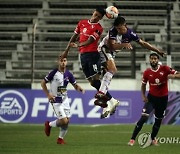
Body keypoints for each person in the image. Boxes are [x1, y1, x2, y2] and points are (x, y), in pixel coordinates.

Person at [96, 16, 166, 118]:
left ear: (125, 25)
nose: (118, 30)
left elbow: (143, 43)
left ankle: (107, 104)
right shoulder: (113, 31)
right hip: (103, 50)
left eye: (120, 28)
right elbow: (111, 46)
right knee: (113, 70)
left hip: (111, 54)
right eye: (117, 28)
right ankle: (102, 94)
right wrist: (124, 44)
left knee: (103, 79)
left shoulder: (130, 34)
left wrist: (157, 50)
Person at [61, 7, 119, 115]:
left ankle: (109, 99)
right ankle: (110, 100)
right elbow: (73, 37)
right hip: (82, 56)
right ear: (93, 12)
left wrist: (79, 44)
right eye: (95, 14)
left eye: (99, 17)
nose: (96, 17)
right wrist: (66, 51)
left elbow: (91, 40)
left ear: (101, 18)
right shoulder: (82, 23)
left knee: (96, 79)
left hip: (93, 55)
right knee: (93, 83)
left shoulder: (99, 28)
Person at [128, 52, 180, 147]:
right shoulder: (147, 72)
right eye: (151, 58)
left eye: (155, 58)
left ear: (158, 60)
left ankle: (152, 139)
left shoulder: (165, 69)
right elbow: (143, 85)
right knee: (144, 117)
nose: (153, 60)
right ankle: (132, 139)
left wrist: (172, 76)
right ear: (149, 60)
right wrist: (143, 96)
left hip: (163, 99)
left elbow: (178, 74)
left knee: (158, 120)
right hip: (151, 98)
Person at [41, 56, 84, 145]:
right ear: (58, 62)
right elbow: (43, 83)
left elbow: (75, 85)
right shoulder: (53, 73)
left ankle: (60, 139)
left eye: (65, 61)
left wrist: (79, 88)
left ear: (67, 62)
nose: (63, 62)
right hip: (55, 100)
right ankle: (49, 124)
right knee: (64, 121)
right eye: (61, 61)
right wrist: (48, 94)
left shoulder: (68, 74)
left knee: (67, 121)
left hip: (65, 99)